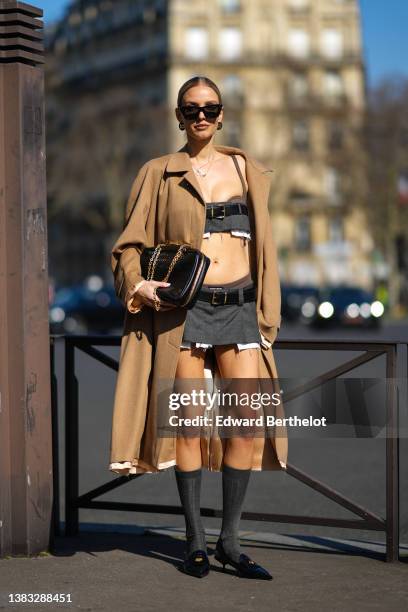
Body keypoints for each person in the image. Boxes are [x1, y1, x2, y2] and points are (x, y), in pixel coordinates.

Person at [109, 75, 287, 580]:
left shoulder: (247, 169)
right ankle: (195, 542)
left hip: (239, 309)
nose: (202, 116)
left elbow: (267, 249)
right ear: (179, 116)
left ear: (223, 113)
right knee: (187, 426)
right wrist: (137, 284)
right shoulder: (157, 173)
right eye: (192, 109)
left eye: (210, 107)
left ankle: (231, 541)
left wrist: (268, 312)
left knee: (245, 428)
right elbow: (128, 246)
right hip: (182, 314)